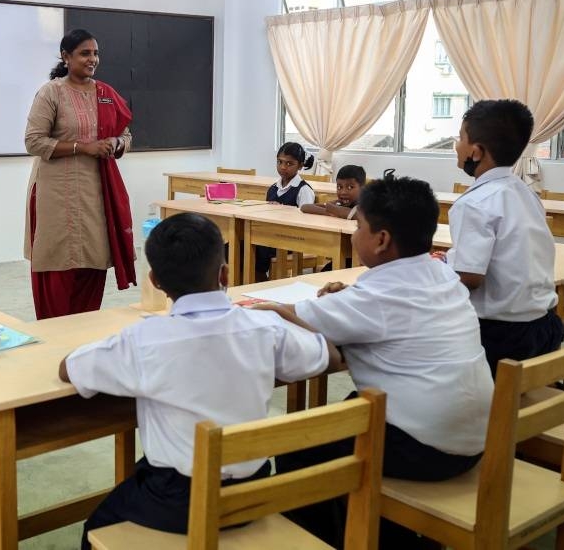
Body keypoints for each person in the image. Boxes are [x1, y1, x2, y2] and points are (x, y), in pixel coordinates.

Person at [59, 213, 337, 549]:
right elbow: (330, 356)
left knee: (95, 528)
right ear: (225, 273)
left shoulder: (144, 339)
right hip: (255, 490)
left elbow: (68, 369)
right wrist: (282, 313)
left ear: (155, 281)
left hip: (179, 499)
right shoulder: (266, 328)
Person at [255, 175, 492, 548]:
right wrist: (350, 297)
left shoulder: (376, 298)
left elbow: (290, 316)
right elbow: (386, 311)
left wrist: (266, 305)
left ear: (381, 240)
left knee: (298, 454)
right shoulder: (442, 274)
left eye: (358, 226)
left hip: (424, 447)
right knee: (348, 411)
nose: (352, 234)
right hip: (476, 437)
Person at [24, 29, 135, 319]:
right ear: (66, 56)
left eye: (95, 53)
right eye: (85, 53)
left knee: (93, 259)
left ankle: (83, 332)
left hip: (96, 192)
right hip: (55, 193)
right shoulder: (52, 92)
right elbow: (33, 141)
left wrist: (117, 143)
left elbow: (126, 134)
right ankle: (53, 335)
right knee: (57, 260)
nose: (93, 59)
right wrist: (83, 148)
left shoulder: (106, 94)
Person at [449, 99, 563, 375]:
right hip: (545, 326)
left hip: (500, 338)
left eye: (461, 137)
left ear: (475, 152)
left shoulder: (474, 203)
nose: (456, 144)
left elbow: (469, 278)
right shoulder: (525, 193)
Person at [254, 141, 317, 280]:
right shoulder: (273, 188)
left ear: (300, 165)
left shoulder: (304, 190)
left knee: (258, 247)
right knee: (241, 244)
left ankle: (260, 282)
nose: (283, 167)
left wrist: (283, 210)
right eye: (280, 162)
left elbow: (306, 223)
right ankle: (246, 282)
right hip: (271, 235)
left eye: (289, 163)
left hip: (292, 239)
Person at [301, 164, 365, 220]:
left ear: (362, 189)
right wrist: (330, 212)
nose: (343, 192)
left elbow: (350, 214)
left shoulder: (366, 207)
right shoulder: (339, 204)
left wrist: (331, 207)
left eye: (350, 187)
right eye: (339, 187)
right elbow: (305, 207)